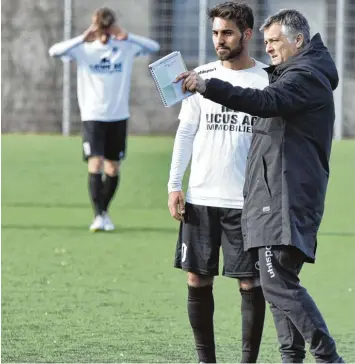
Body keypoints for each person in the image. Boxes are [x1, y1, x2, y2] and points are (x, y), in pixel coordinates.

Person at [176, 8, 345, 363]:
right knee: (277, 286)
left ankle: (329, 358)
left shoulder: (305, 77)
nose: (269, 48)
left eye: (274, 41)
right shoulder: (295, 73)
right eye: (266, 41)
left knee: (276, 285)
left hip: (284, 200)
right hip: (273, 198)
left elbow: (265, 102)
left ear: (298, 41)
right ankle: (291, 358)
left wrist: (208, 86)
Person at [168, 2, 269, 363]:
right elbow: (185, 133)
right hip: (202, 197)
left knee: (251, 284)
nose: (219, 40)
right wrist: (174, 185)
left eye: (226, 32)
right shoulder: (200, 76)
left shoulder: (268, 79)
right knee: (197, 280)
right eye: (215, 32)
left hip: (248, 201)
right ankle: (205, 360)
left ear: (247, 34)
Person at [49, 7, 160, 232]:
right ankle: (99, 215)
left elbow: (154, 47)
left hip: (118, 116)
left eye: (106, 26)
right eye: (101, 26)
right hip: (93, 116)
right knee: (95, 162)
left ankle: (104, 212)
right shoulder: (84, 49)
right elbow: (54, 52)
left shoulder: (125, 47)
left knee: (113, 167)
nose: (104, 32)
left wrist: (126, 35)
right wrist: (83, 37)